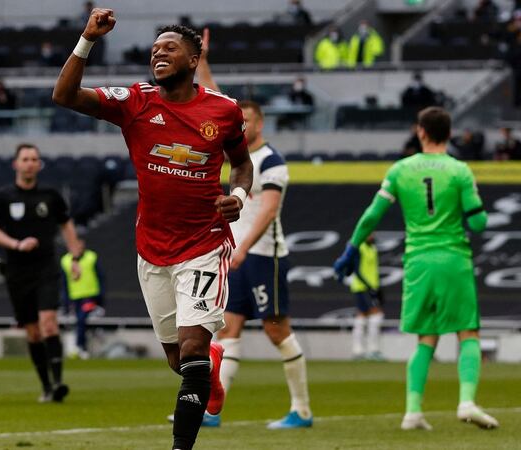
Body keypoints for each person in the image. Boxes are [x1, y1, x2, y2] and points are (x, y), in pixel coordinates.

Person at [53, 10, 254, 450]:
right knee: (177, 358)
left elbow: (242, 165)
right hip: (152, 249)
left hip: (204, 243)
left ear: (194, 58)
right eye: (155, 49)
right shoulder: (135, 101)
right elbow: (64, 95)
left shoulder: (223, 111)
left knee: (193, 351)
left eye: (169, 48)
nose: (157, 54)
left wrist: (237, 197)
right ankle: (210, 371)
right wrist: (87, 39)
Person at [333, 107, 499, 430]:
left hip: (418, 261)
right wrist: (471, 208)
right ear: (449, 134)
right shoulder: (460, 170)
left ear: (420, 132)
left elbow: (372, 215)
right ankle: (466, 401)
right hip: (453, 259)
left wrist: (352, 247)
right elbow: (478, 223)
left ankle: (412, 411)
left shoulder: (400, 170)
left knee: (426, 338)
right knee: (468, 332)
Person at [193, 30, 312, 429]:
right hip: (236, 255)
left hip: (264, 256)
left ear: (260, 122)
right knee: (228, 327)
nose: (241, 124)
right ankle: (213, 410)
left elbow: (270, 211)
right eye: (238, 120)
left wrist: (243, 247)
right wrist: (203, 60)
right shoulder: (238, 152)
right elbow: (213, 96)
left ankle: (302, 410)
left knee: (277, 329)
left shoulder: (272, 161)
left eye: (247, 120)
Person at [0, 143, 83, 403]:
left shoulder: (50, 196)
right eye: (25, 159)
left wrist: (75, 258)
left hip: (46, 268)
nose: (30, 163)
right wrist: (16, 244)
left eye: (34, 159)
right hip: (17, 271)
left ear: (39, 165)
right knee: (32, 332)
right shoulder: (3, 197)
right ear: (15, 164)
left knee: (48, 322)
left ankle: (59, 382)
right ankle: (47, 385)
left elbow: (67, 225)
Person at [60, 237, 104, 359]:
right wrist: (65, 302)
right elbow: (64, 283)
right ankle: (78, 347)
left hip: (90, 297)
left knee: (81, 319)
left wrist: (100, 299)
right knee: (77, 321)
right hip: (75, 298)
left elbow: (101, 278)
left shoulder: (91, 257)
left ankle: (80, 347)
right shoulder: (65, 261)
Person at [349, 233, 384, 360]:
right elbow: (357, 271)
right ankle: (368, 350)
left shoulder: (373, 248)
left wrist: (377, 287)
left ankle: (362, 350)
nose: (372, 235)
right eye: (369, 233)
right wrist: (369, 286)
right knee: (375, 315)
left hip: (372, 287)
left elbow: (373, 270)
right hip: (361, 287)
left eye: (373, 232)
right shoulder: (359, 247)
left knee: (364, 316)